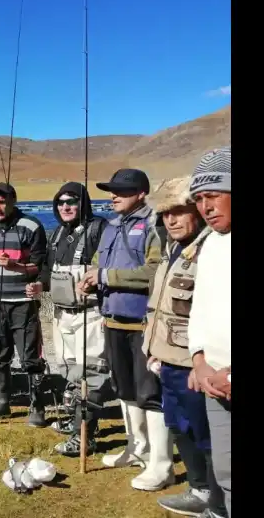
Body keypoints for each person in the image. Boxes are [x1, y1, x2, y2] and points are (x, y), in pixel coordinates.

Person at [77, 168, 170, 490]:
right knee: (125, 389)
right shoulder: (110, 227)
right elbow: (99, 265)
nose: (112, 196)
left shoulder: (155, 225)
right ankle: (137, 447)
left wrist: (106, 277)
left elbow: (157, 272)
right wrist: (91, 279)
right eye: (110, 190)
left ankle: (162, 463)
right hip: (112, 320)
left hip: (145, 323)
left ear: (141, 193)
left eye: (121, 190)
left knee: (150, 393)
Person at [141, 176, 227, 517]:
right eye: (165, 214)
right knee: (178, 426)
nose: (171, 220)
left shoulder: (214, 249)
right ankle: (198, 488)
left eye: (178, 211)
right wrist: (152, 347)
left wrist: (200, 361)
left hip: (195, 366)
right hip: (167, 359)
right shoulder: (173, 249)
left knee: (208, 437)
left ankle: (218, 504)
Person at [27, 182, 111, 453]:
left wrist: (97, 276)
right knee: (70, 371)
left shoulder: (100, 229)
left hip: (91, 314)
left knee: (91, 372)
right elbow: (48, 269)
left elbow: (111, 267)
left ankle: (85, 435)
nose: (65, 206)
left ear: (83, 203)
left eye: (72, 202)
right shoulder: (57, 234)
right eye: (61, 202)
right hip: (62, 314)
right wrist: (40, 285)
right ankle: (77, 420)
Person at [0, 183, 49, 425]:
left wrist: (16, 267)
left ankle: (37, 405)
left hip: (22, 304)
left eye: (1, 202)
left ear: (13, 201)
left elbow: (40, 265)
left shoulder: (31, 226)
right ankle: (1, 401)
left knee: (30, 357)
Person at [187, 146, 231, 516]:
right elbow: (198, 310)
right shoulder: (211, 245)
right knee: (227, 471)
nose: (205, 207)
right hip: (213, 383)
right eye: (199, 199)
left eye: (213, 196)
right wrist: (199, 362)